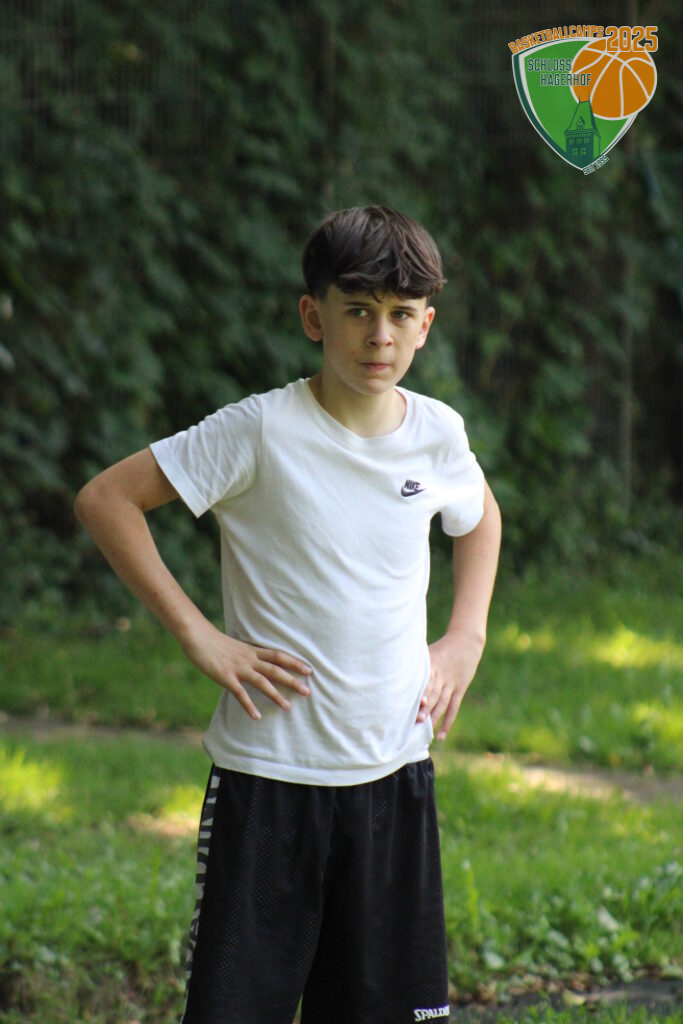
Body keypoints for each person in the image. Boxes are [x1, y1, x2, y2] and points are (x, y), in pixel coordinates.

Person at [74, 204, 502, 1024]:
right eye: (357, 310)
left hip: (394, 774)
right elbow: (107, 500)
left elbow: (479, 518)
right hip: (269, 781)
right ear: (313, 316)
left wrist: (465, 636)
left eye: (400, 315)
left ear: (425, 327)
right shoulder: (260, 430)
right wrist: (199, 636)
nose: (379, 335)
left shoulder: (437, 434)